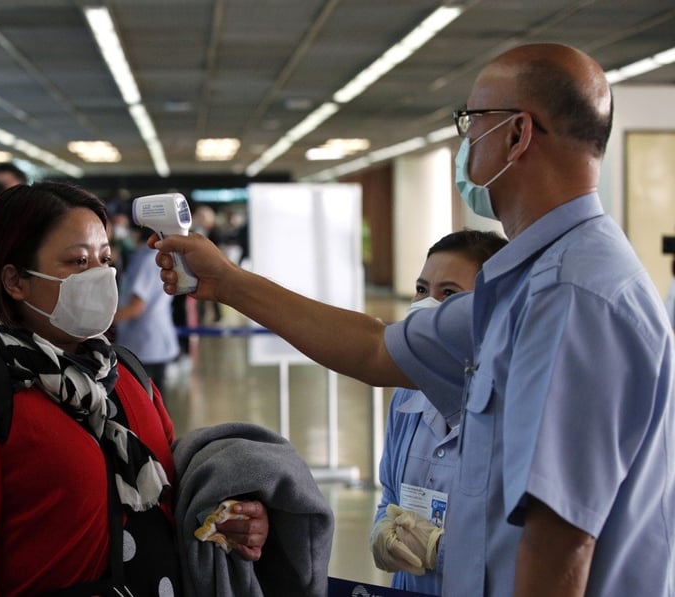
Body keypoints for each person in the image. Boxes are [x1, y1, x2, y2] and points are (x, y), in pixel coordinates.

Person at [153, 43, 675, 596]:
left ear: (518, 134)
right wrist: (227, 282)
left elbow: (561, 539)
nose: (466, 139)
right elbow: (377, 348)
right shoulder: (525, 286)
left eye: (474, 121)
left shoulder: (573, 297)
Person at [0, 183, 270, 596]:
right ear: (15, 280)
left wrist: (225, 522)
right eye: (77, 261)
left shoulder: (123, 373)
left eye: (105, 259)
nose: (98, 275)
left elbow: (164, 499)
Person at [370, 229, 507, 595]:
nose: (425, 306)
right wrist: (382, 529)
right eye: (420, 289)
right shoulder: (407, 395)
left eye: (448, 294)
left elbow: (524, 549)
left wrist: (438, 551)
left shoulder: (509, 408)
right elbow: (390, 496)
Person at [114, 224, 180, 397]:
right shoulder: (155, 257)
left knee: (148, 403)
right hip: (154, 341)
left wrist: (100, 322)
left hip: (145, 345)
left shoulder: (146, 260)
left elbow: (136, 307)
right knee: (157, 403)